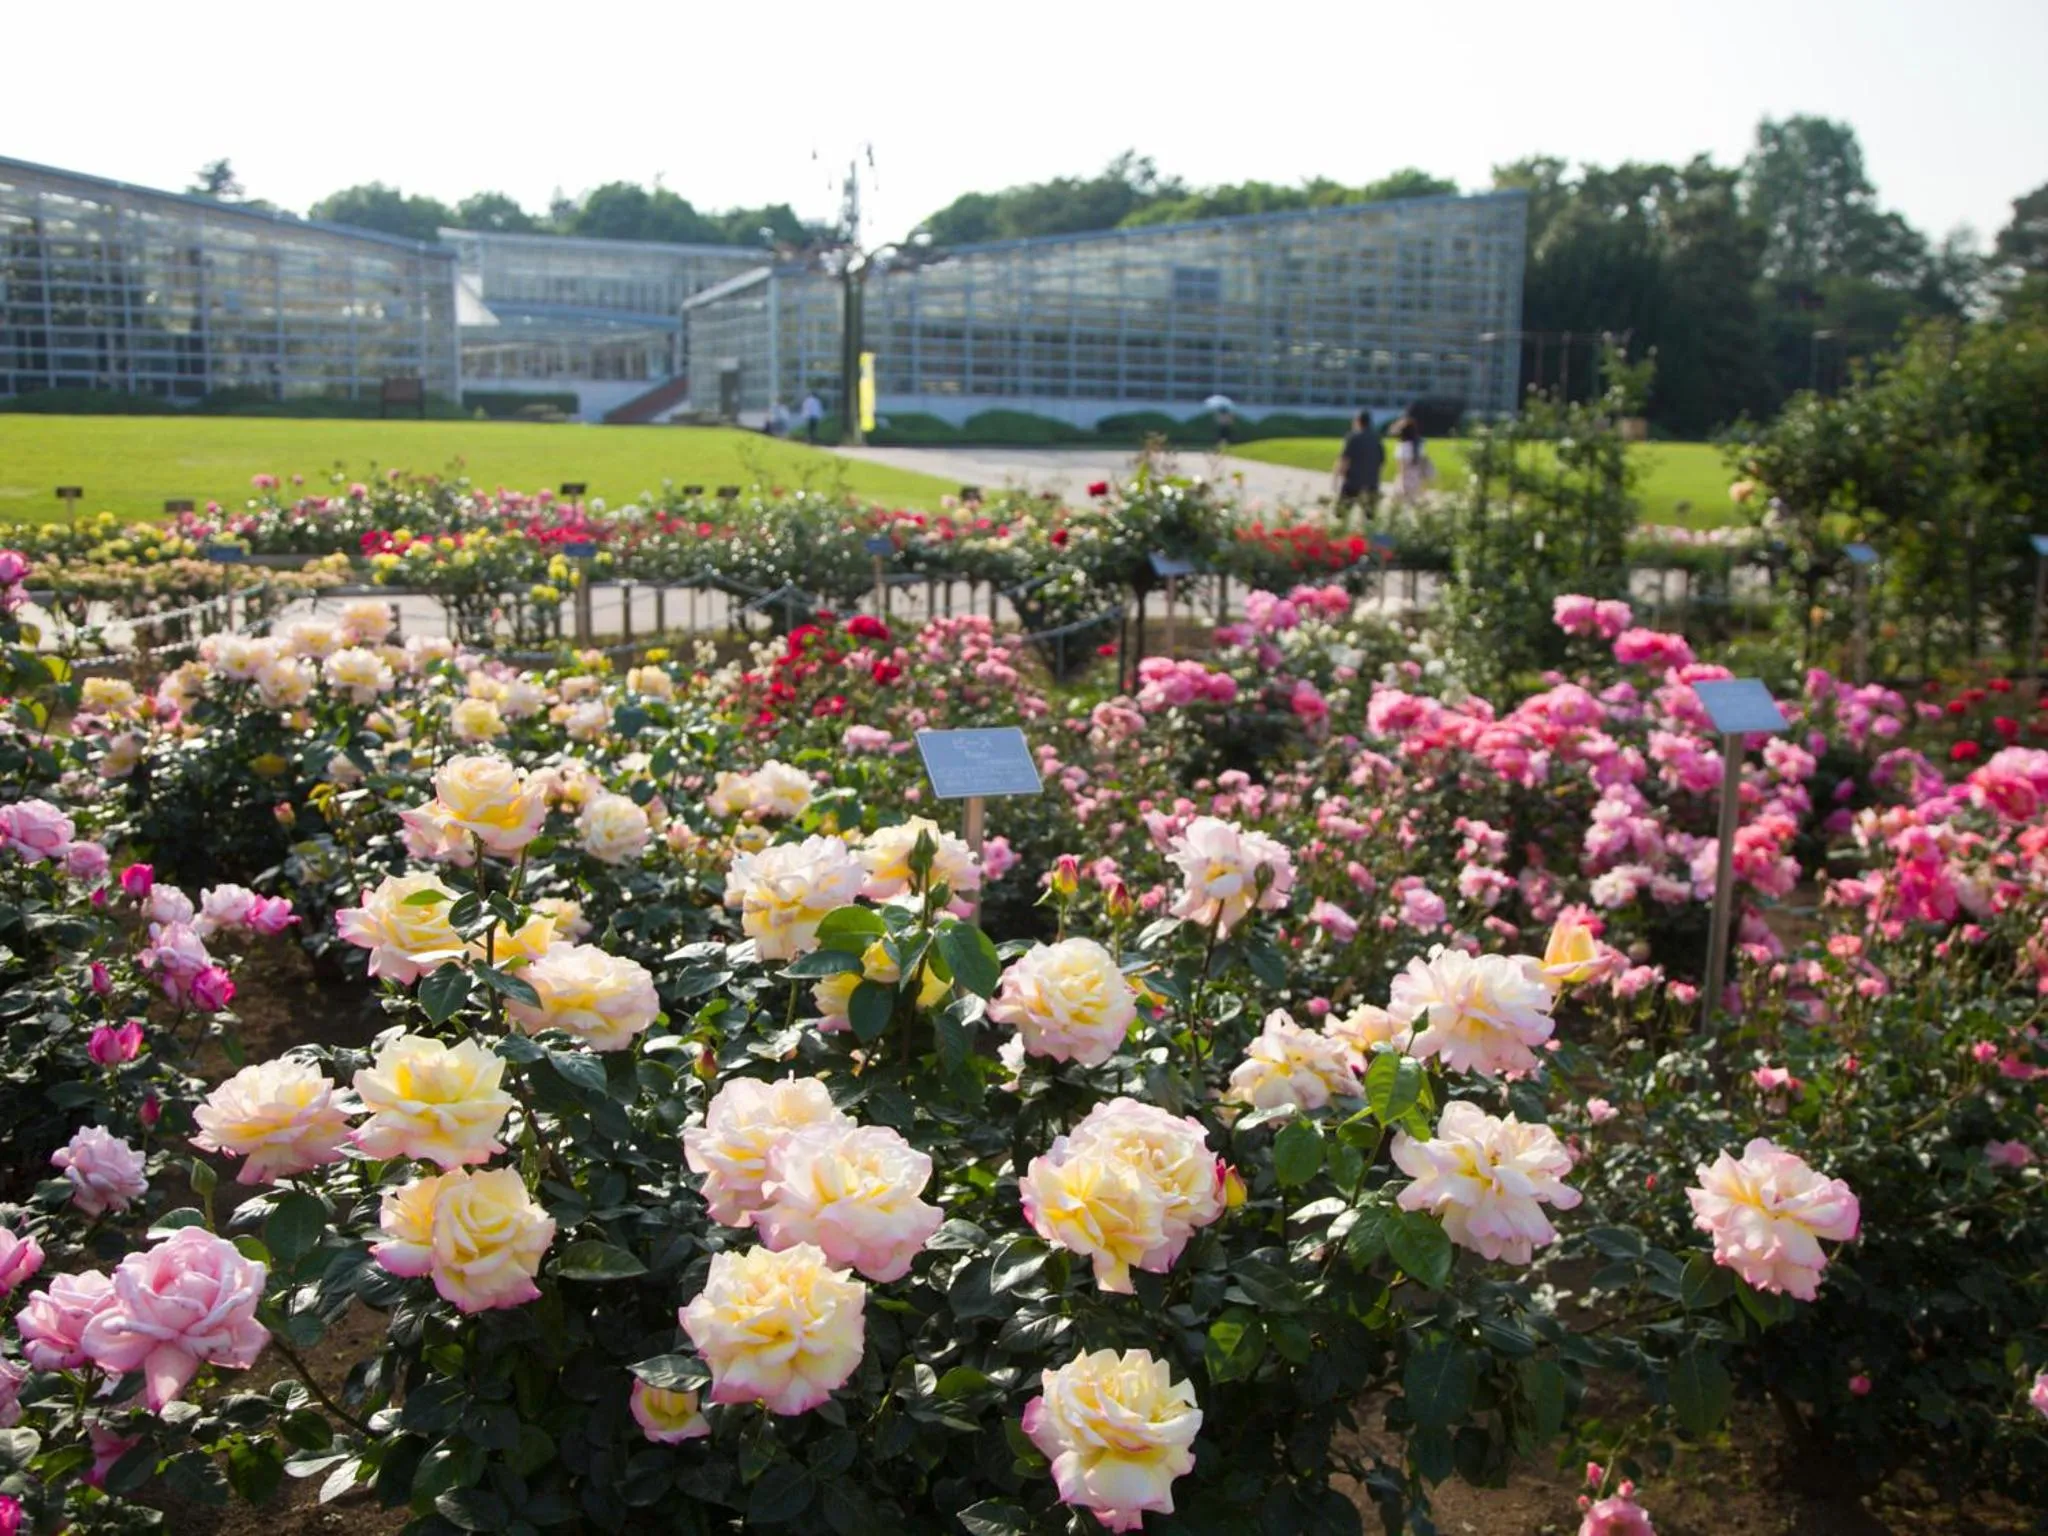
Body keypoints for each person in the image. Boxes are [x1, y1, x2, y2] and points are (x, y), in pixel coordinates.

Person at [1331, 408, 1384, 521]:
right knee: (1369, 517)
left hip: (1353, 482)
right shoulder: (1377, 438)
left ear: (1358, 421)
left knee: (1340, 514)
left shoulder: (1353, 437)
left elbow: (1344, 459)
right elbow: (1381, 462)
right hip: (1371, 482)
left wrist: (1336, 477)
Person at [1391, 406, 1435, 502]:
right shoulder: (1419, 446)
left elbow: (1401, 468)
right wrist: (1424, 486)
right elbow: (1423, 465)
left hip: (1405, 481)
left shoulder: (1401, 447)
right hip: (1416, 481)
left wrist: (1401, 484)